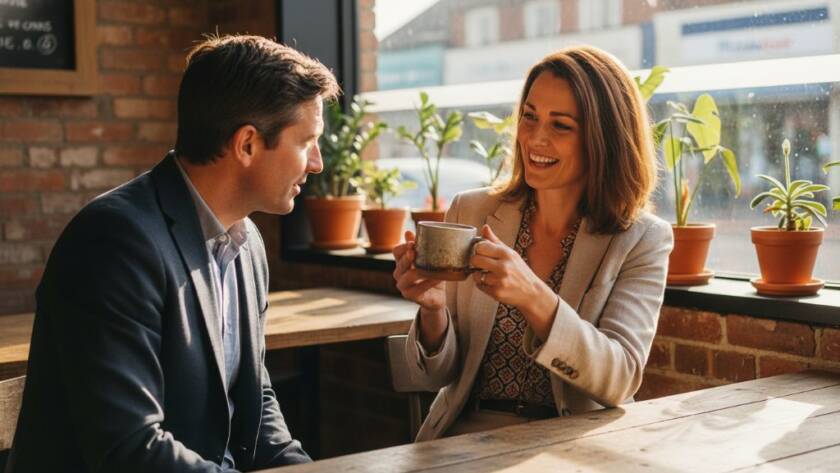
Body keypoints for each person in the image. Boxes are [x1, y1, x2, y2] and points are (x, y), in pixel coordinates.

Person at [7, 35, 338, 472]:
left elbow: (255, 402)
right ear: (247, 145)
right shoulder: (113, 241)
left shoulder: (248, 242)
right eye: (306, 141)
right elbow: (129, 449)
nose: (316, 163)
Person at [393, 45, 673, 441]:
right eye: (529, 117)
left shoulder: (641, 238)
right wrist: (433, 311)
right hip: (463, 440)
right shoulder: (470, 211)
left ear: (603, 138)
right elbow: (434, 376)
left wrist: (533, 296)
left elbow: (620, 380)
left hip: (570, 445)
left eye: (560, 125)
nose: (536, 138)